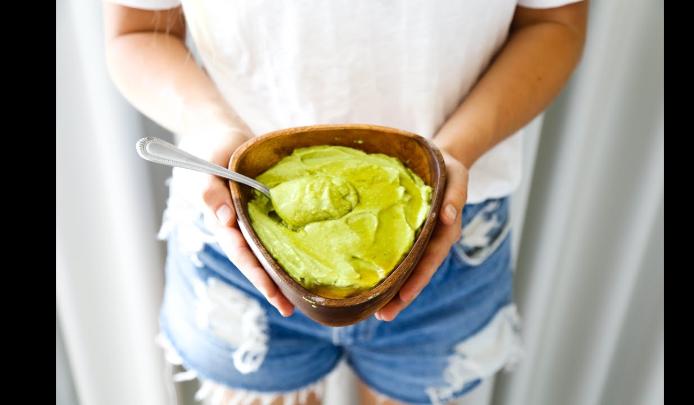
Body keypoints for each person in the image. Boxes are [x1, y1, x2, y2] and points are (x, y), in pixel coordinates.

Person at [103, 1, 587, 404]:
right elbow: (138, 30)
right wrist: (212, 126)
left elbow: (553, 22)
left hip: (449, 236)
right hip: (238, 248)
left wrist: (453, 153)